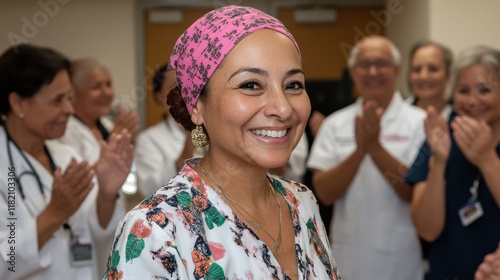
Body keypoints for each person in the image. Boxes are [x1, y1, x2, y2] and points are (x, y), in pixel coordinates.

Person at [103, 5, 339, 280]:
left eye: (294, 85)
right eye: (251, 85)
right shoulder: (156, 230)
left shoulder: (301, 201)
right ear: (198, 106)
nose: (283, 108)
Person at [0, 44, 132, 279]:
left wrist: (106, 194)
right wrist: (54, 213)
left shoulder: (66, 155)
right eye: (57, 100)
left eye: (70, 98)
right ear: (18, 103)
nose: (69, 110)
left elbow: (98, 232)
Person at [307, 35, 426, 279]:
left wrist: (374, 147)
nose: (373, 72)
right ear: (352, 72)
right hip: (348, 257)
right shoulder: (334, 124)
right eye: (364, 64)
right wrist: (360, 150)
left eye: (381, 64)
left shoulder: (420, 123)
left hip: (400, 258)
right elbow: (325, 193)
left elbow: (412, 193)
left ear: (396, 70)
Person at [406, 45, 500, 279]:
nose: (472, 100)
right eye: (463, 90)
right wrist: (439, 161)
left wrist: (487, 159)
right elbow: (427, 230)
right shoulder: (439, 137)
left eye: (485, 90)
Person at [134, 64, 196, 197]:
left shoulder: (212, 127)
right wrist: (184, 157)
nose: (184, 91)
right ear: (159, 96)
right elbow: (149, 189)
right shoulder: (148, 139)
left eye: (187, 84)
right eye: (175, 86)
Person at [407, 40, 454, 118]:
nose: (423, 76)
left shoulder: (461, 117)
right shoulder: (396, 115)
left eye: (433, 69)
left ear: (448, 75)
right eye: (417, 69)